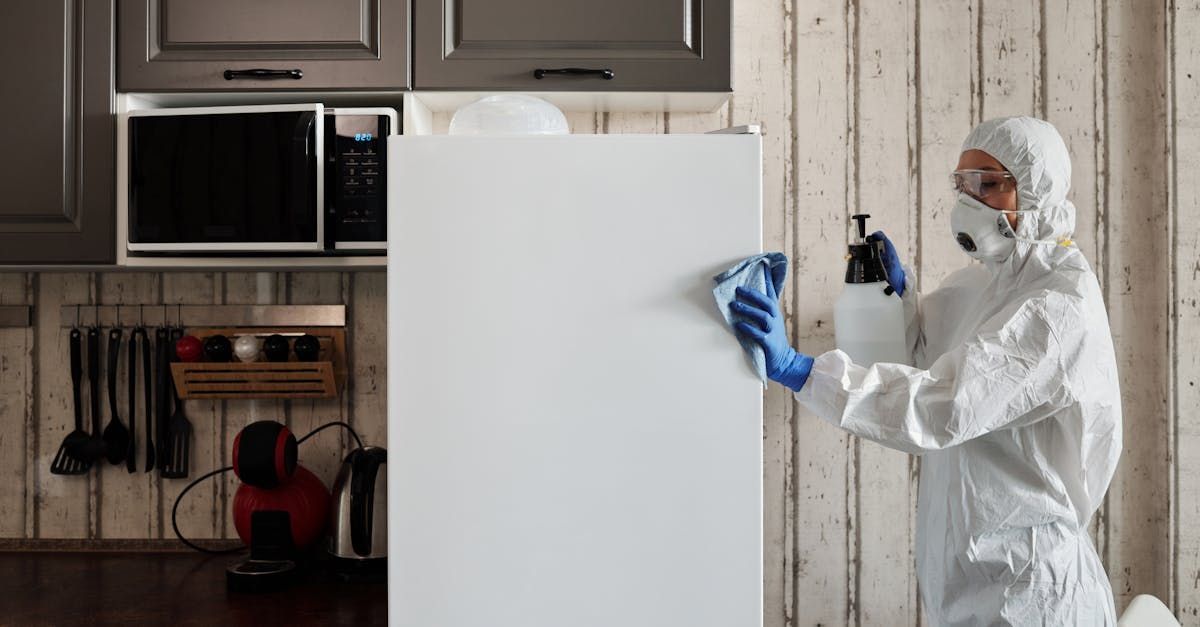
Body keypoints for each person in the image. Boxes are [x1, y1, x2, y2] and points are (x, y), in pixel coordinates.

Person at [730, 117, 1122, 625]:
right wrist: (900, 301)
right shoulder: (986, 285)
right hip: (970, 578)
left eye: (988, 184)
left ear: (1035, 191)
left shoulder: (1056, 307)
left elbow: (942, 405)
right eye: (962, 184)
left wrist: (801, 371)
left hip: (1033, 591)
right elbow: (925, 358)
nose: (969, 202)